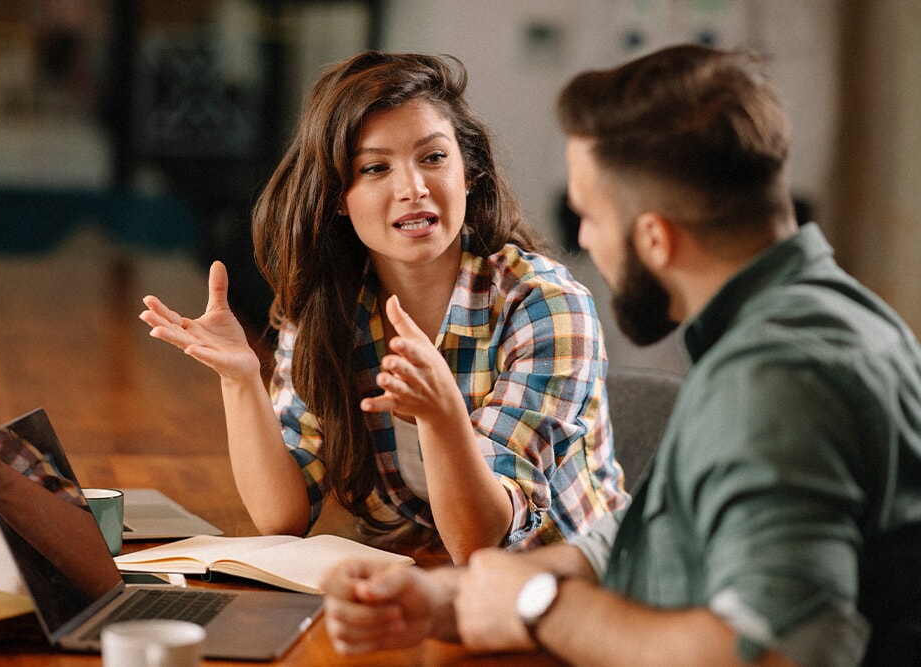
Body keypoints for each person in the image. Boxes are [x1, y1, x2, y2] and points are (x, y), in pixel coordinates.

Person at [320, 44, 921, 666]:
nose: (581, 240)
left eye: (590, 217)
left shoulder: (773, 384)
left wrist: (542, 609)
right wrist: (448, 597)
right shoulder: (826, 321)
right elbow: (653, 538)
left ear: (655, 238)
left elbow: (774, 654)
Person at [140, 51, 627, 564]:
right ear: (337, 198)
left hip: (572, 593)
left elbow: (481, 541)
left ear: (470, 172)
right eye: (375, 167)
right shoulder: (331, 309)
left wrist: (442, 417)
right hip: (430, 581)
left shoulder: (545, 306)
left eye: (434, 158)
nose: (412, 188)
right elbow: (281, 516)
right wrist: (241, 380)